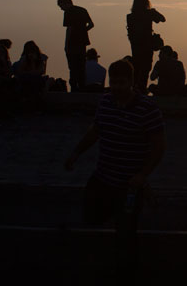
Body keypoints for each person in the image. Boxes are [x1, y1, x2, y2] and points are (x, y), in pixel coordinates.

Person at [65, 59, 165, 281]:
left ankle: (127, 275)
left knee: (126, 235)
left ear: (131, 82)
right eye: (114, 83)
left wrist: (142, 176)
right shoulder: (106, 102)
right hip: (103, 177)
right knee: (90, 215)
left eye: (121, 83)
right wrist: (76, 153)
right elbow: (95, 131)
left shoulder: (147, 109)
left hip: (129, 184)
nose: (117, 87)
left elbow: (159, 146)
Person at [126, 0, 165, 93]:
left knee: (137, 68)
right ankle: (142, 90)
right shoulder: (149, 13)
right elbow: (162, 19)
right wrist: (153, 11)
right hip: (147, 46)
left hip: (135, 47)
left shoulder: (130, 17)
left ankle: (134, 89)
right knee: (145, 69)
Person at [57, 0, 94, 91]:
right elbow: (91, 25)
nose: (61, 9)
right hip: (82, 42)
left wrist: (66, 44)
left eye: (61, 6)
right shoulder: (83, 10)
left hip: (72, 43)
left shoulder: (68, 12)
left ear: (65, 3)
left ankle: (74, 88)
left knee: (73, 67)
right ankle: (82, 88)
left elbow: (69, 29)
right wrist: (83, 31)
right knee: (81, 67)